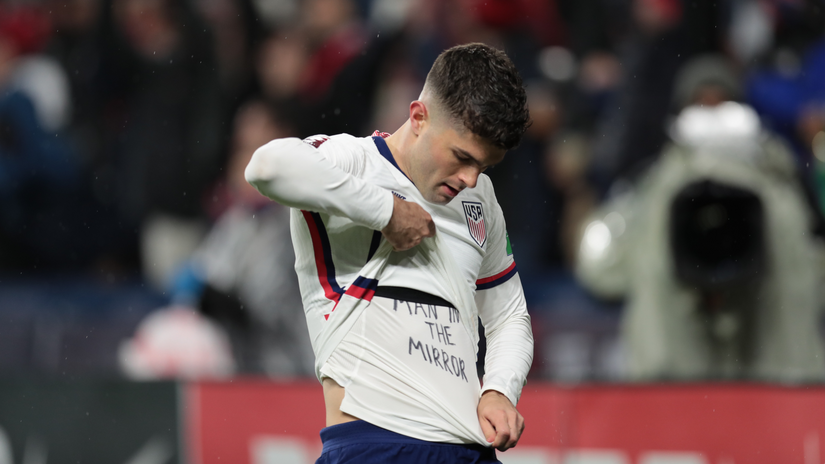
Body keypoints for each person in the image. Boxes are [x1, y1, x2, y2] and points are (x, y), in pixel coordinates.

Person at [245, 43, 533, 463]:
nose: (470, 179)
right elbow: (266, 167)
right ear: (418, 116)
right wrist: (386, 211)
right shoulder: (353, 161)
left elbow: (508, 315)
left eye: (484, 166)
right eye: (462, 157)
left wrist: (499, 390)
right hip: (374, 446)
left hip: (470, 450)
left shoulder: (480, 200)